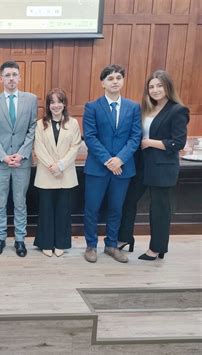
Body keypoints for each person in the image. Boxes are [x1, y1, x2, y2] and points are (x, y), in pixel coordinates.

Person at [118, 70, 189, 260]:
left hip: (162, 167)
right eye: (151, 86)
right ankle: (124, 238)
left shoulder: (178, 110)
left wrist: (151, 142)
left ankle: (157, 248)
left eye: (159, 86)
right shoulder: (146, 108)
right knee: (128, 200)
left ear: (168, 87)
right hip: (141, 165)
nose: (155, 90)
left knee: (159, 209)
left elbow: (178, 143)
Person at [83, 64, 141, 263]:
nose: (115, 81)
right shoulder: (92, 107)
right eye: (110, 78)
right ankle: (91, 246)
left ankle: (111, 245)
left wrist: (119, 159)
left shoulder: (133, 107)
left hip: (122, 169)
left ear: (123, 81)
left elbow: (135, 137)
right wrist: (109, 160)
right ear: (103, 83)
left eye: (118, 78)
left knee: (116, 209)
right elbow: (90, 137)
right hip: (98, 168)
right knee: (92, 208)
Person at [0, 61, 37, 257]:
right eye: (7, 75)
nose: (11, 78)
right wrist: (4, 157)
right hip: (0, 163)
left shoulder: (31, 99)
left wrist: (21, 154)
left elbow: (33, 129)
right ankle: (0, 238)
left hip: (22, 162)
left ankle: (19, 239)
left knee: (19, 202)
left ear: (20, 77)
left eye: (14, 74)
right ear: (1, 79)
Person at [33, 88, 81, 257]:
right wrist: (51, 166)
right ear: (48, 105)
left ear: (64, 104)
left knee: (63, 210)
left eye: (59, 101)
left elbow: (75, 147)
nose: (55, 105)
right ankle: (45, 243)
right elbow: (38, 147)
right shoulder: (40, 124)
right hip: (46, 173)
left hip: (65, 174)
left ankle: (61, 243)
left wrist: (60, 165)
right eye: (52, 102)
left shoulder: (73, 123)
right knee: (46, 210)